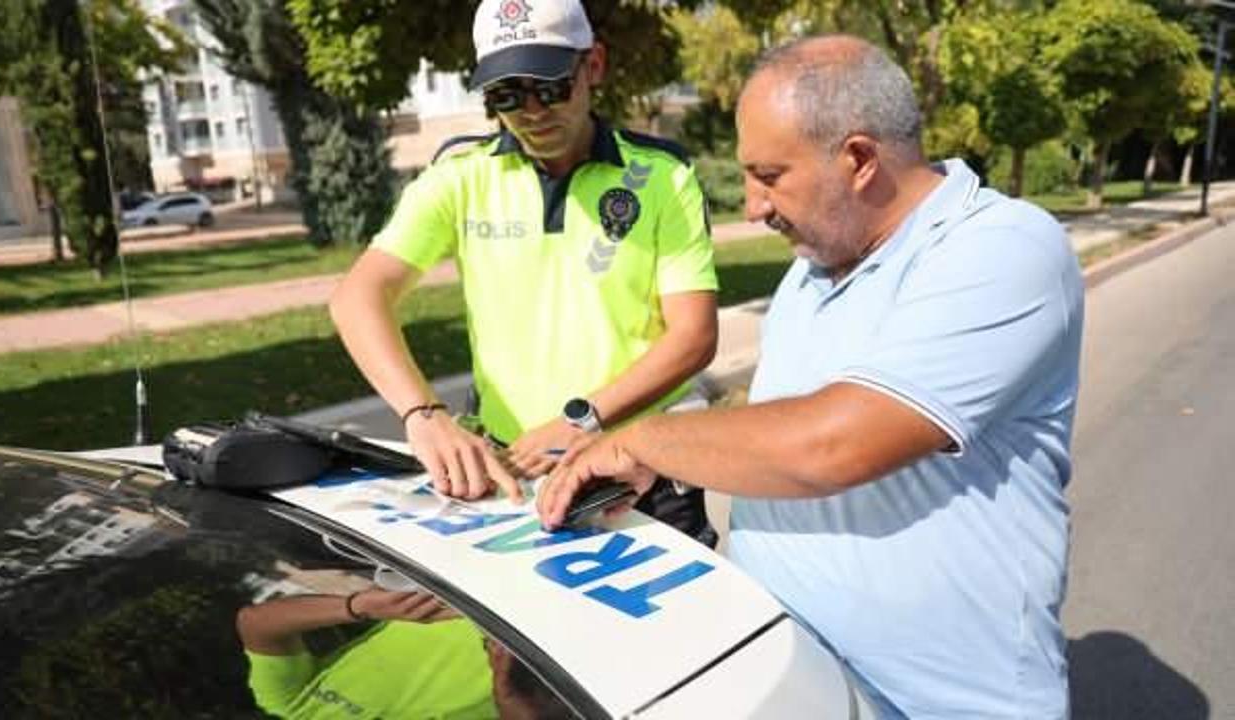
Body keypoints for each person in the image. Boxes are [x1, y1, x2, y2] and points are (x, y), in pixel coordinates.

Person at [539, 34, 1084, 719]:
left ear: (858, 159)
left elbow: (832, 445)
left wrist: (642, 439)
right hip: (799, 685)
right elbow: (780, 424)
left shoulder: (1002, 248)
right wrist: (675, 453)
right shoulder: (811, 272)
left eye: (768, 175)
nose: (752, 206)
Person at [330, 0, 718, 543]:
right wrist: (423, 415)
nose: (532, 110)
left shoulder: (661, 177)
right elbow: (357, 297)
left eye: (551, 85)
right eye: (506, 95)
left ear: (595, 66)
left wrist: (584, 421)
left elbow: (694, 336)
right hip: (512, 475)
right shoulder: (460, 176)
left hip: (637, 474)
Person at [237, 588, 573, 719]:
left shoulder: (289, 708)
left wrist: (359, 606)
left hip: (468, 586)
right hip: (556, 643)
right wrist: (511, 703)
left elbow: (256, 623)